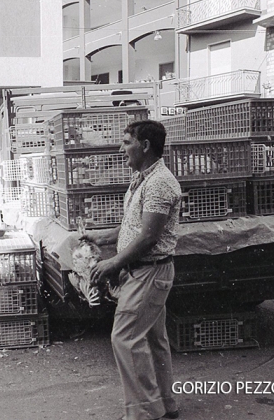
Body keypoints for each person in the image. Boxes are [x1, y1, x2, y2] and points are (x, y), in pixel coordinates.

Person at [87, 120, 181, 420]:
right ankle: (166, 405)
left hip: (149, 273)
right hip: (144, 272)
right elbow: (134, 224)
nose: (121, 148)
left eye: (126, 142)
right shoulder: (141, 178)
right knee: (153, 340)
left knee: (125, 338)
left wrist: (113, 262)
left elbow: (148, 237)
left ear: (145, 146)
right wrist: (103, 237)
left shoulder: (159, 184)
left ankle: (144, 413)